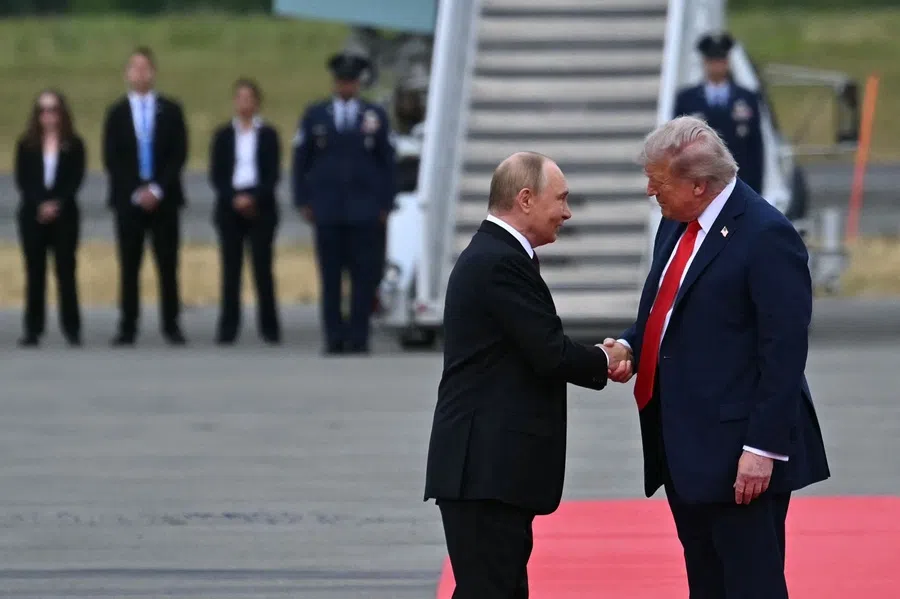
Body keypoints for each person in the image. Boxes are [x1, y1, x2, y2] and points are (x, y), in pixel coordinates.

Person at [604, 116, 830, 599]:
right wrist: (629, 344)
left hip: (739, 456)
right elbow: (667, 307)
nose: (650, 191)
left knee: (751, 584)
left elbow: (784, 351)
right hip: (685, 448)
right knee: (706, 582)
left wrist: (762, 449)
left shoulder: (766, 235)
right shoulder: (678, 221)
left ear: (699, 185)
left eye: (658, 181)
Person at [424, 152, 631, 599]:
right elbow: (548, 352)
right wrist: (605, 359)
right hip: (484, 473)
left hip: (489, 473)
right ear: (525, 199)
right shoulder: (500, 262)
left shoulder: (499, 255)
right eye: (561, 199)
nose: (567, 212)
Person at [292, 51, 396, 355]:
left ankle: (359, 335)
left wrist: (385, 203)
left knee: (363, 277)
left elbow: (387, 162)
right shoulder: (316, 115)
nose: (345, 87)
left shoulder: (373, 116)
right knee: (331, 277)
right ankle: (334, 336)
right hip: (328, 209)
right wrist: (303, 199)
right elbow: (301, 160)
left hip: (364, 210)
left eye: (350, 81)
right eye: (341, 81)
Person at [102, 46, 188, 346]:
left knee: (167, 264)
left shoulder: (171, 109)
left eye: (145, 68)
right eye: (134, 68)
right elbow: (112, 158)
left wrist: (157, 188)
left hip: (164, 198)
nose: (140, 73)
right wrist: (135, 190)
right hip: (129, 200)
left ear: (154, 72)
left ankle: (171, 324)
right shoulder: (116, 113)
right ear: (127, 73)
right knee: (129, 265)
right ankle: (128, 325)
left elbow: (179, 153)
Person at [209, 78, 282, 345]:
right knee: (231, 270)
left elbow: (273, 174)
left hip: (260, 206)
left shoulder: (269, 135)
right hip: (230, 206)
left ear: (257, 102)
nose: (244, 103)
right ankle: (228, 328)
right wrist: (234, 198)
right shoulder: (223, 135)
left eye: (249, 98)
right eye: (239, 98)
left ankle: (270, 328)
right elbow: (217, 175)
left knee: (263, 268)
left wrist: (254, 198)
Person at [13, 89, 85, 348]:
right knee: (35, 272)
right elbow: (23, 180)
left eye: (53, 109)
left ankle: (72, 328)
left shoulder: (74, 144)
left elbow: (75, 179)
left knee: (66, 272)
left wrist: (57, 203)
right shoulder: (27, 144)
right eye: (43, 110)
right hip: (33, 216)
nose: (48, 116)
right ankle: (33, 329)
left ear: (62, 113)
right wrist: (40, 203)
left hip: (65, 216)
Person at [673, 32, 765, 194]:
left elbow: (755, 147)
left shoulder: (746, 98)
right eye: (712, 61)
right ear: (704, 62)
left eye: (721, 60)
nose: (717, 66)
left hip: (737, 183)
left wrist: (756, 190)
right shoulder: (686, 99)